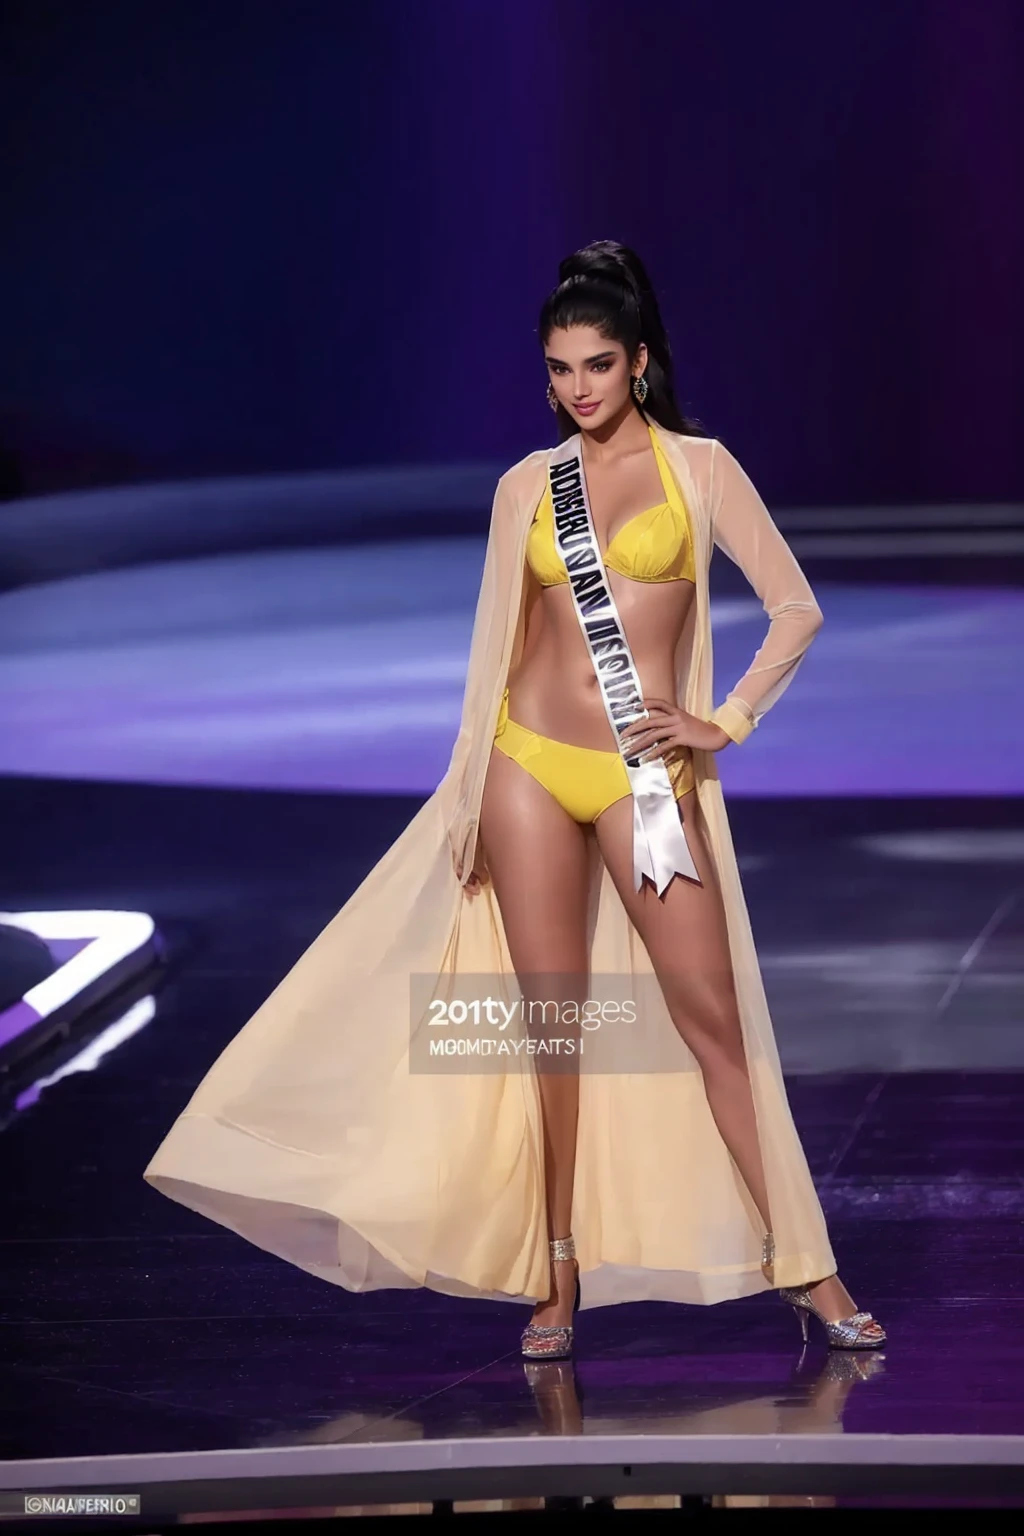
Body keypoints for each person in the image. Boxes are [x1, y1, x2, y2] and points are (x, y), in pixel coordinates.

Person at [144, 241, 884, 1360]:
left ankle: (807, 1269)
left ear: (638, 363)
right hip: (525, 763)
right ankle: (555, 1272)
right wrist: (463, 803)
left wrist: (721, 721)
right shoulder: (525, 489)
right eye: (557, 369)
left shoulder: (702, 469)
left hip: (643, 778)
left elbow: (795, 609)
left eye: (596, 364)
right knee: (551, 1026)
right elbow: (494, 649)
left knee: (711, 1025)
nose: (577, 387)